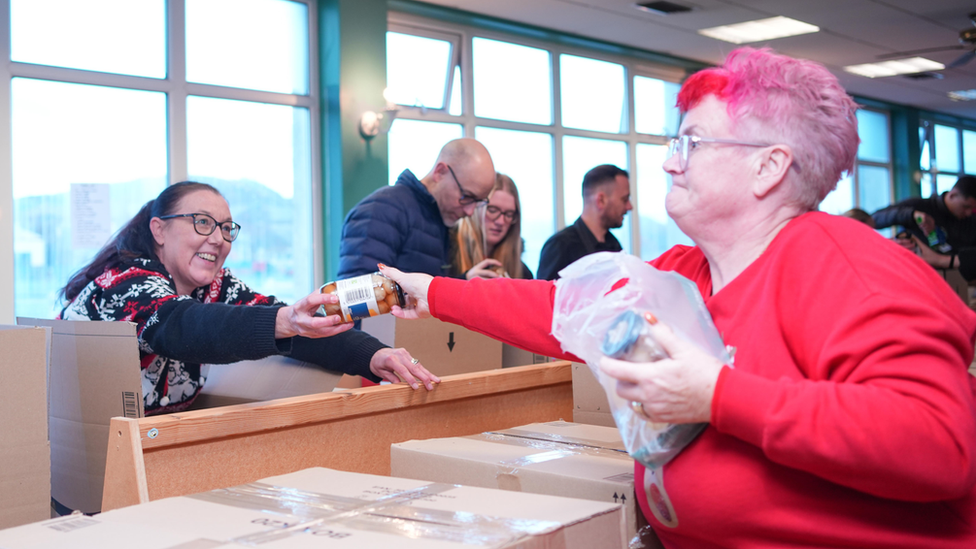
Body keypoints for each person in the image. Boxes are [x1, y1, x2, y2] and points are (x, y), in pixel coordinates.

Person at [380, 47, 976, 548]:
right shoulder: (687, 272)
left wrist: (719, 393)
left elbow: (938, 444)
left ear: (769, 167)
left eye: (692, 143)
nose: (669, 163)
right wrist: (429, 292)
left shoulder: (845, 268)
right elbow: (563, 310)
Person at [60, 182, 438, 416]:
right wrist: (284, 321)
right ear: (159, 229)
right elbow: (180, 325)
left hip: (150, 445)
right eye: (202, 222)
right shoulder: (125, 283)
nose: (218, 239)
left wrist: (375, 355)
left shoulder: (215, 287)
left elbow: (291, 326)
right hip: (85, 451)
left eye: (226, 228)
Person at [337, 138, 496, 279]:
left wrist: (464, 283)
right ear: (440, 172)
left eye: (478, 202)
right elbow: (362, 300)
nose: (469, 212)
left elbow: (426, 296)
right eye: (466, 197)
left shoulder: (435, 217)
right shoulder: (382, 210)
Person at [536, 164, 632, 280]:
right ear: (601, 200)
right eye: (624, 199)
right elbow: (547, 296)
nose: (629, 206)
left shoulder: (614, 245)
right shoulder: (560, 246)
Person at [872, 175, 976, 278]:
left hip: (956, 283)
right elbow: (874, 219)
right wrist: (911, 215)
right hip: (913, 278)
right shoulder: (920, 206)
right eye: (965, 206)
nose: (968, 213)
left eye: (972, 209)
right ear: (952, 195)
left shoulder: (971, 222)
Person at [451, 173, 533, 280]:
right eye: (492, 210)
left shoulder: (522, 273)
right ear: (475, 208)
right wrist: (464, 281)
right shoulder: (446, 252)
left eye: (509, 214)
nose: (500, 221)